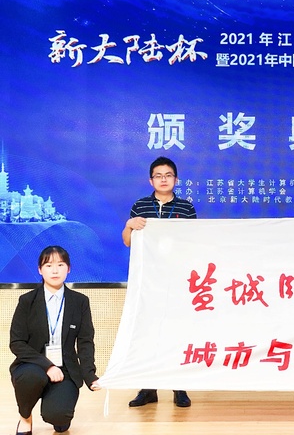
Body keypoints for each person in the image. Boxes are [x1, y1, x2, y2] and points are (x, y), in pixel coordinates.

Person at [122, 156, 197, 408]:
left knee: (177, 332)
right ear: (150, 180)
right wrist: (129, 225)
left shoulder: (186, 208)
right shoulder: (140, 206)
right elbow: (128, 241)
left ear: (176, 179)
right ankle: (148, 388)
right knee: (147, 333)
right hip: (148, 281)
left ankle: (179, 387)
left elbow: (195, 242)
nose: (163, 179)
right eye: (158, 176)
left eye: (168, 175)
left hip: (177, 280)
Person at [10, 246, 100, 435]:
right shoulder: (27, 301)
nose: (55, 270)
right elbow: (16, 343)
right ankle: (25, 417)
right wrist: (48, 366)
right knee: (32, 376)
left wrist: (90, 375)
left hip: (65, 369)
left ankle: (56, 409)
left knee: (59, 418)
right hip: (32, 366)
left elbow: (85, 341)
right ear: (39, 270)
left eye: (60, 265)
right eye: (48, 265)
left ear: (69, 269)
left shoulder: (80, 302)